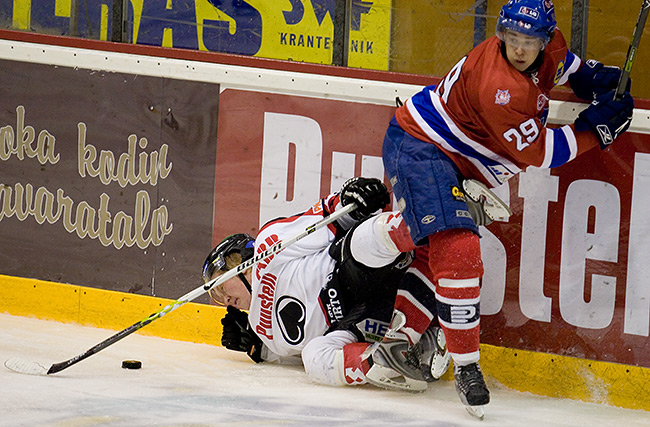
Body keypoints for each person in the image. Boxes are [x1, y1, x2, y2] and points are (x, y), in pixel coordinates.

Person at [376, 0, 635, 418]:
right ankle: (466, 367)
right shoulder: (499, 87)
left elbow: (563, 66)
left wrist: (592, 77)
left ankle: (398, 340)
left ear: (545, 38)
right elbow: (542, 152)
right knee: (459, 248)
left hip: (460, 159)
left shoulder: (547, 51)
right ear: (501, 34)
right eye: (511, 38)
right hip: (424, 150)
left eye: (528, 40)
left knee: (433, 248)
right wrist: (595, 129)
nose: (518, 48)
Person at [203, 177, 452, 389]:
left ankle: (429, 222)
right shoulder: (261, 330)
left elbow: (325, 218)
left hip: (356, 274)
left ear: (241, 263)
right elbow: (296, 355)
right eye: (216, 296)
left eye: (222, 286)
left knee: (361, 242)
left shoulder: (267, 249)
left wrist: (348, 199)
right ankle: (394, 357)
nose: (224, 300)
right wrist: (261, 349)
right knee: (314, 360)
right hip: (358, 321)